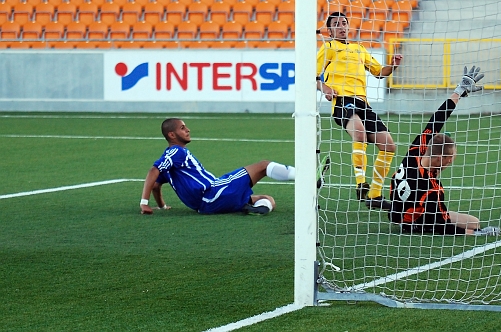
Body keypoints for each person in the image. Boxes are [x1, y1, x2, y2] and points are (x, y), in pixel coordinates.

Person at [388, 66, 501, 236]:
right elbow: (442, 226)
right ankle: (419, 226)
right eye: (450, 159)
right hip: (415, 218)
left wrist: (459, 91)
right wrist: (477, 233)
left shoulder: (416, 151)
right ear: (440, 158)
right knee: (473, 224)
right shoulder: (432, 187)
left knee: (473, 222)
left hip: (397, 212)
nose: (450, 163)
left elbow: (437, 119)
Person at [316, 12, 403, 210]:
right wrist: (326, 89)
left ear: (349, 27)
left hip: (363, 104)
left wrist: (393, 65)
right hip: (343, 101)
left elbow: (380, 72)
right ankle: (360, 183)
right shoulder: (328, 47)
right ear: (329, 30)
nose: (341, 26)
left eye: (344, 23)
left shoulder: (359, 49)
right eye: (336, 24)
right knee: (360, 133)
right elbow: (314, 76)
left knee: (389, 145)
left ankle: (374, 195)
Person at [139, 118, 296, 215]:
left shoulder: (171, 165)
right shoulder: (176, 152)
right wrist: (144, 203)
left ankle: (260, 209)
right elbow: (153, 171)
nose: (188, 130)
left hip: (206, 207)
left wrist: (162, 206)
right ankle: (305, 176)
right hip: (214, 192)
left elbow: (156, 185)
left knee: (268, 199)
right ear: (172, 135)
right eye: (182, 128)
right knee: (263, 166)